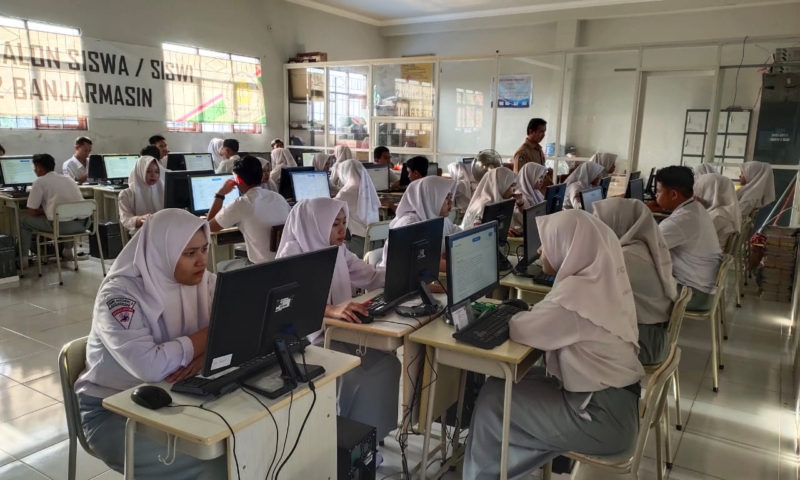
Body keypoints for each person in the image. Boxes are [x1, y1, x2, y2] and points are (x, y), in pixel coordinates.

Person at [464, 210, 643, 479]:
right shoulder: (604, 282)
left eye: (548, 242)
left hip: (600, 421)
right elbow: (548, 321)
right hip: (616, 405)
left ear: (571, 247)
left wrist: (511, 315)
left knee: (494, 399)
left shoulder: (577, 295)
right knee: (508, 382)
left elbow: (523, 330)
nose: (540, 250)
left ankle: (483, 475)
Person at [74, 210, 227, 479]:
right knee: (216, 464)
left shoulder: (204, 280)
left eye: (204, 249)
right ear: (161, 253)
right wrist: (212, 334)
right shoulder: (118, 295)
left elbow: (238, 323)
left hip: (175, 396)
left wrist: (206, 354)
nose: (202, 261)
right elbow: (149, 367)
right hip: (114, 410)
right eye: (189, 253)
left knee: (246, 440)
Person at [276, 198, 396, 444]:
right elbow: (287, 307)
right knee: (358, 375)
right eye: (334, 224)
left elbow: (371, 277)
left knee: (388, 364)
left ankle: (369, 440)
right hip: (304, 341)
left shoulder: (338, 250)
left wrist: (404, 275)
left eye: (343, 222)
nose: (343, 230)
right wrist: (330, 310)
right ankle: (348, 442)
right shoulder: (292, 254)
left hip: (337, 331)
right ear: (316, 225)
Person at [593, 198, 679, 365]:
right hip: (653, 333)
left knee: (568, 341)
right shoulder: (640, 247)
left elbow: (590, 290)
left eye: (599, 223)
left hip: (645, 343)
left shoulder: (626, 257)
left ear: (616, 224)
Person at [650, 166, 722, 311]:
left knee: (633, 275)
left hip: (694, 294)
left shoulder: (681, 220)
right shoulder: (695, 208)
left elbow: (647, 245)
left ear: (674, 194)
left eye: (658, 191)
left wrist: (643, 212)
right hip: (702, 287)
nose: (656, 196)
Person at [207, 156, 291, 271]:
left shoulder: (241, 204)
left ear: (238, 179)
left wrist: (220, 194)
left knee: (219, 266)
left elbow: (209, 227)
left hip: (259, 269)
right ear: (261, 176)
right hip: (285, 265)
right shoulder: (278, 197)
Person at [20, 154, 89, 265]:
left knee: (23, 221)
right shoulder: (68, 179)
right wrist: (51, 211)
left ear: (38, 168)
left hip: (62, 227)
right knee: (67, 215)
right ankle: (67, 251)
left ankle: (23, 259)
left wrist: (47, 211)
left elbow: (32, 211)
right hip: (83, 225)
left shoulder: (40, 182)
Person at [380, 176, 460, 272]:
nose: (450, 203)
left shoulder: (441, 219)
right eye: (445, 197)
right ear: (430, 198)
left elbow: (460, 236)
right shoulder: (408, 225)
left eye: (450, 197)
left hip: (427, 276)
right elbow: (411, 264)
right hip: (396, 277)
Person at [335, 160, 381, 258]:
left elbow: (331, 209)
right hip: (378, 245)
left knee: (333, 249)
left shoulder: (345, 193)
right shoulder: (370, 190)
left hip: (360, 246)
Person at [694, 173, 742, 249]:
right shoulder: (728, 211)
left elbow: (694, 239)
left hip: (707, 254)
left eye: (701, 190)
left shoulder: (717, 216)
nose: (696, 195)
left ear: (711, 192)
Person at [118, 155, 163, 236]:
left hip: (164, 232)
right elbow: (125, 219)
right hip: (140, 235)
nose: (153, 175)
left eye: (157, 172)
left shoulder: (164, 190)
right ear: (140, 172)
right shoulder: (126, 194)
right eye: (148, 171)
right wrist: (140, 219)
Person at [512, 162, 548, 230]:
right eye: (539, 177)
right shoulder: (519, 196)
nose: (542, 181)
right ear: (530, 177)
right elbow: (526, 222)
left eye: (543, 177)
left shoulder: (536, 192)